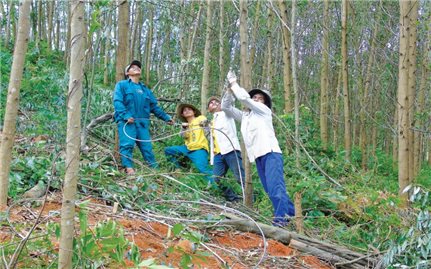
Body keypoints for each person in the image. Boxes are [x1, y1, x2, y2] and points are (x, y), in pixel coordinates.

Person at [221, 71, 295, 226]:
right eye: (254, 98)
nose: (256, 100)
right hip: (258, 156)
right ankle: (293, 215)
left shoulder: (264, 112)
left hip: (271, 153)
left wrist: (234, 82)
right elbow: (226, 107)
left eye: (260, 98)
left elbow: (244, 98)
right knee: (269, 189)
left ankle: (281, 220)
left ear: (265, 103)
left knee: (276, 188)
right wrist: (229, 90)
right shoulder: (245, 117)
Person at [113, 60, 173, 175]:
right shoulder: (122, 85)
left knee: (147, 148)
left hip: (142, 124)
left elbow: (154, 107)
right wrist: (126, 115)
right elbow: (117, 102)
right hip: (127, 122)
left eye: (138, 67)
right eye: (133, 67)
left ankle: (155, 170)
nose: (137, 68)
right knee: (127, 144)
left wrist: (166, 118)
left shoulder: (146, 90)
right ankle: (128, 168)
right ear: (127, 73)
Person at [164, 103, 214, 184]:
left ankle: (215, 184)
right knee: (169, 150)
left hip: (199, 148)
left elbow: (207, 127)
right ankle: (177, 171)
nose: (187, 111)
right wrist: (184, 128)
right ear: (182, 114)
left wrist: (204, 124)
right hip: (187, 148)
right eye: (185, 110)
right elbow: (183, 136)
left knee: (202, 169)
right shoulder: (185, 125)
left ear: (194, 111)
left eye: (189, 109)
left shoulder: (200, 118)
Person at [207, 96, 245, 202]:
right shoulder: (212, 122)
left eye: (216, 101)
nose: (214, 103)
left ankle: (251, 199)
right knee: (217, 178)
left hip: (230, 150)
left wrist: (229, 90)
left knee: (240, 177)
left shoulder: (226, 113)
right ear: (208, 109)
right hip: (218, 154)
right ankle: (233, 198)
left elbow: (229, 101)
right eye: (211, 103)